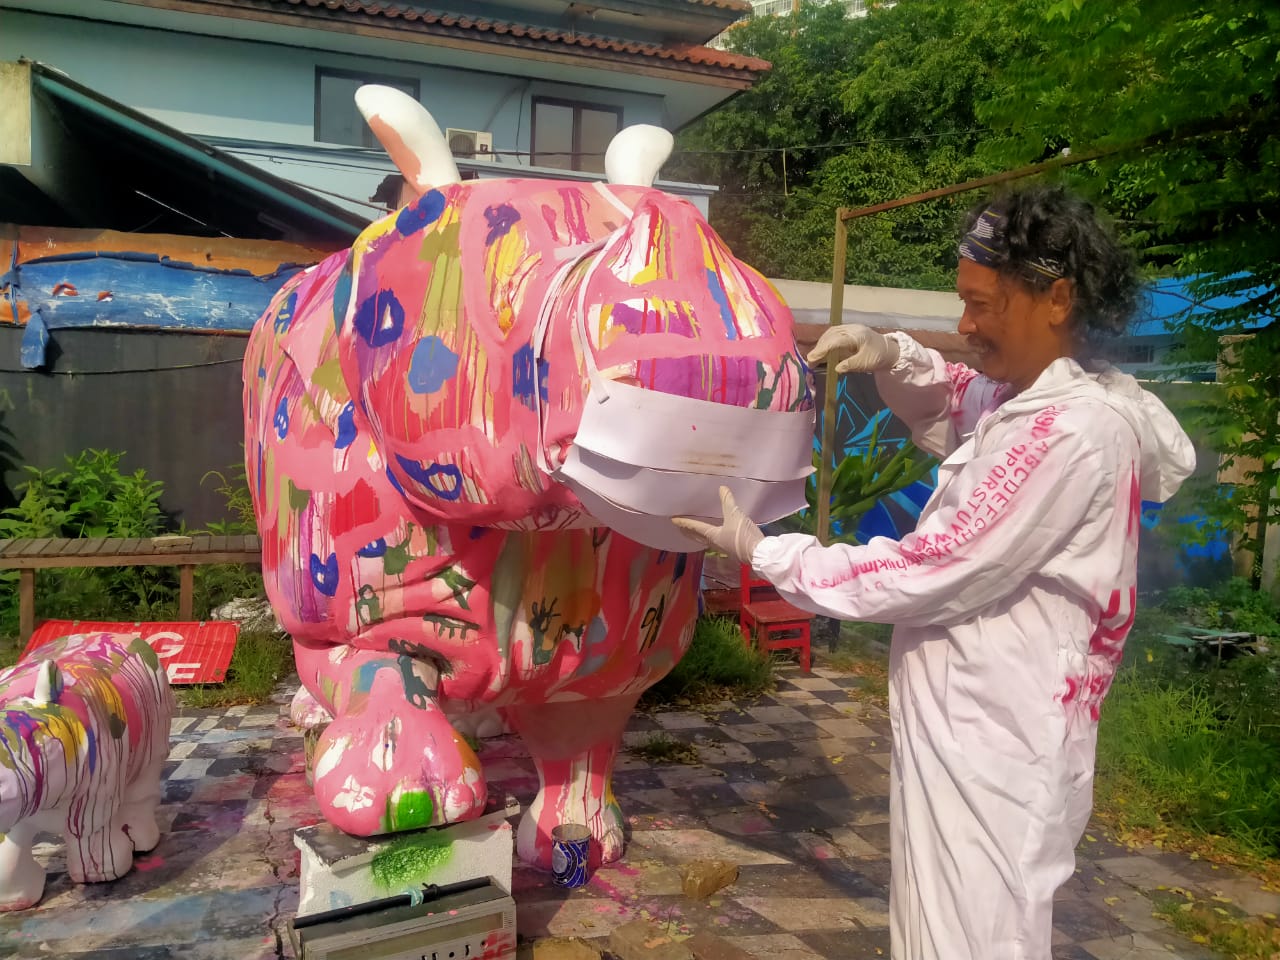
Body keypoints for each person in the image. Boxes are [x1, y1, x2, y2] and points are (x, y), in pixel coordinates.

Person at [673, 184, 1196, 960]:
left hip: (997, 742)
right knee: (944, 929)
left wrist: (765, 550)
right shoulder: (1035, 401)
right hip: (976, 724)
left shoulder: (1069, 434)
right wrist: (889, 352)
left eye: (984, 305)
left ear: (1057, 298)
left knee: (973, 939)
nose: (965, 326)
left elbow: (930, 568)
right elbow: (959, 397)